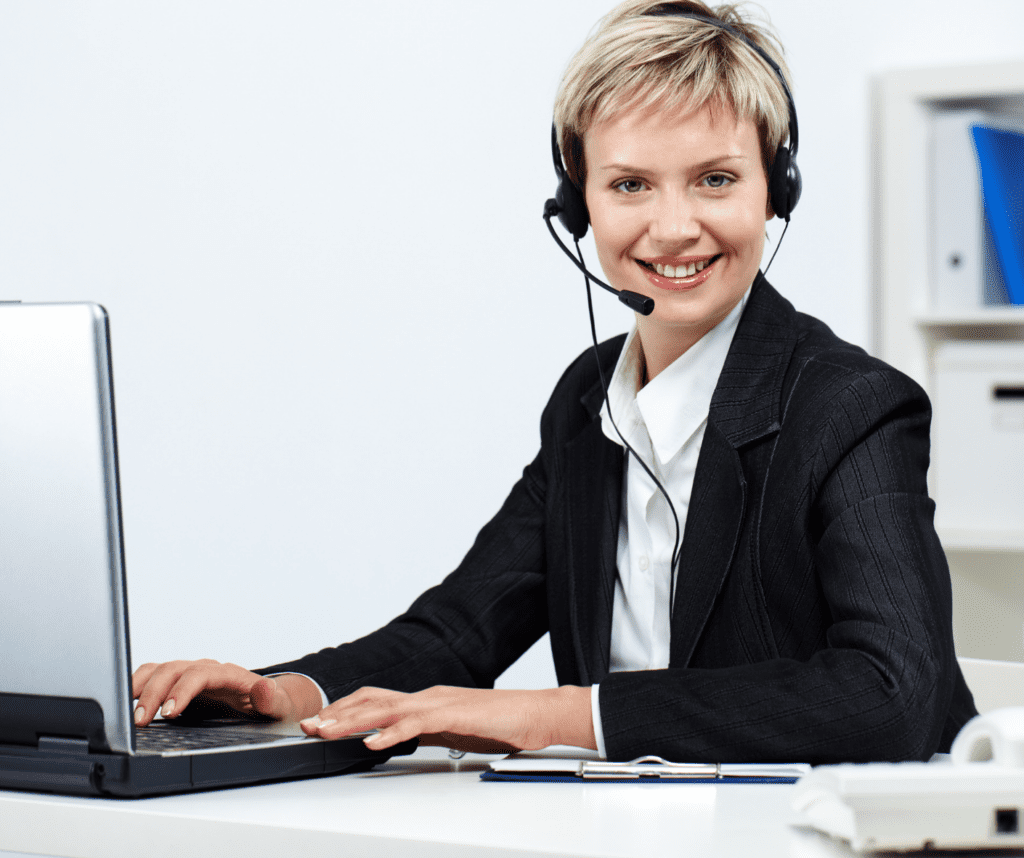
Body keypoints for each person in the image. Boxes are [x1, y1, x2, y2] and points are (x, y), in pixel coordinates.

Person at [131, 0, 977, 763]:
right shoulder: (588, 400)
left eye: (716, 179)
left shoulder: (853, 408)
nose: (674, 227)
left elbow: (891, 695)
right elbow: (459, 629)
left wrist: (560, 718)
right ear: (579, 204)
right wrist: (281, 695)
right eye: (630, 185)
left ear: (774, 191)